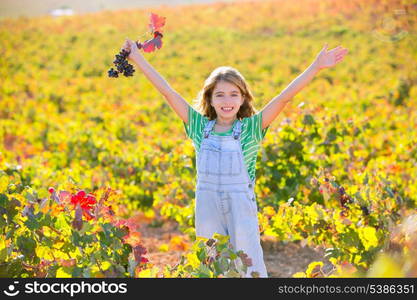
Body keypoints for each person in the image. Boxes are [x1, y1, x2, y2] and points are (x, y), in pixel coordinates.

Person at [121, 39, 348, 277]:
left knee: (248, 262)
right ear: (210, 99)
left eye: (233, 94)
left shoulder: (251, 128)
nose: (227, 101)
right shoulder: (199, 126)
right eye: (219, 95)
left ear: (242, 99)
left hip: (240, 205)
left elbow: (283, 97)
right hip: (207, 204)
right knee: (211, 261)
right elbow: (168, 92)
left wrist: (315, 67)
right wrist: (138, 58)